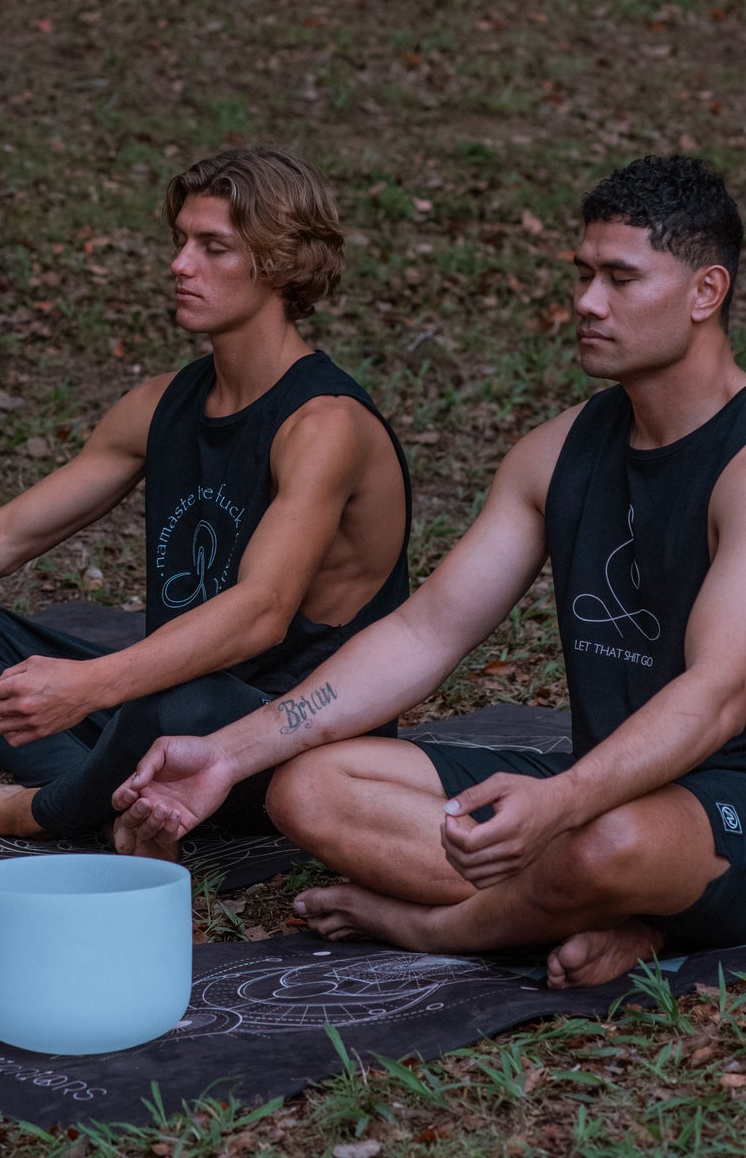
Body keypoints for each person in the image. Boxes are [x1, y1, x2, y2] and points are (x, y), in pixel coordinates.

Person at [113, 155, 746, 987]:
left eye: (621, 278)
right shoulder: (557, 452)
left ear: (706, 292)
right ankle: (604, 911)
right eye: (584, 273)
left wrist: (563, 800)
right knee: (308, 786)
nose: (587, 302)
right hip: (605, 789)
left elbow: (718, 695)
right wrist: (229, 753)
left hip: (712, 801)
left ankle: (444, 925)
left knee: (611, 842)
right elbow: (423, 630)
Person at [0, 147, 411, 838]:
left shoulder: (323, 425)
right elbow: (5, 535)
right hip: (161, 703)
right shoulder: (163, 405)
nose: (180, 265)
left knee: (170, 704)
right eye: (180, 241)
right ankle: (91, 785)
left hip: (284, 741)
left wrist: (91, 685)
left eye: (214, 248)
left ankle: (30, 809)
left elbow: (261, 612)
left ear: (284, 265)